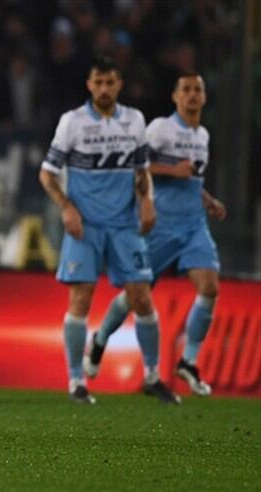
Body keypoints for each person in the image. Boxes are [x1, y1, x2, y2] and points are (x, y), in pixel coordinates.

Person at [38, 56, 179, 405]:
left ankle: (151, 376)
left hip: (124, 223)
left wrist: (148, 201)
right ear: (89, 84)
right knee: (81, 298)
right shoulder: (72, 122)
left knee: (141, 296)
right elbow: (47, 173)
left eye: (110, 82)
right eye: (98, 82)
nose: (103, 88)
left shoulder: (134, 121)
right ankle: (76, 382)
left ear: (119, 85)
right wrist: (66, 207)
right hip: (85, 225)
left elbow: (141, 169)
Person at [86, 71, 225, 396]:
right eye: (186, 90)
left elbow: (192, 180)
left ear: (203, 98)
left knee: (210, 287)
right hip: (159, 227)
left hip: (193, 227)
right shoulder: (162, 128)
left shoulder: (202, 135)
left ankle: (188, 362)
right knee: (136, 297)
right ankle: (101, 337)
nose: (192, 95)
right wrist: (171, 170)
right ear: (176, 97)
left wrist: (208, 200)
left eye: (197, 90)